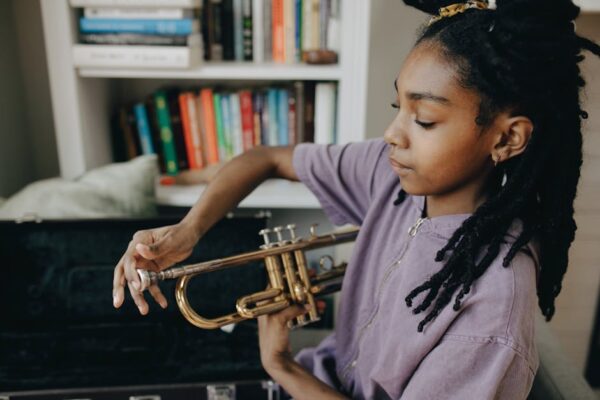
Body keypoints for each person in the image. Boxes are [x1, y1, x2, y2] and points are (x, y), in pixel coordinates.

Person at [112, 0, 600, 398]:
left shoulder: (492, 308)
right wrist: (187, 231)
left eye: (424, 119)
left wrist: (281, 366)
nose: (392, 134)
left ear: (508, 139)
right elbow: (265, 157)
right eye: (398, 108)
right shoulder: (389, 173)